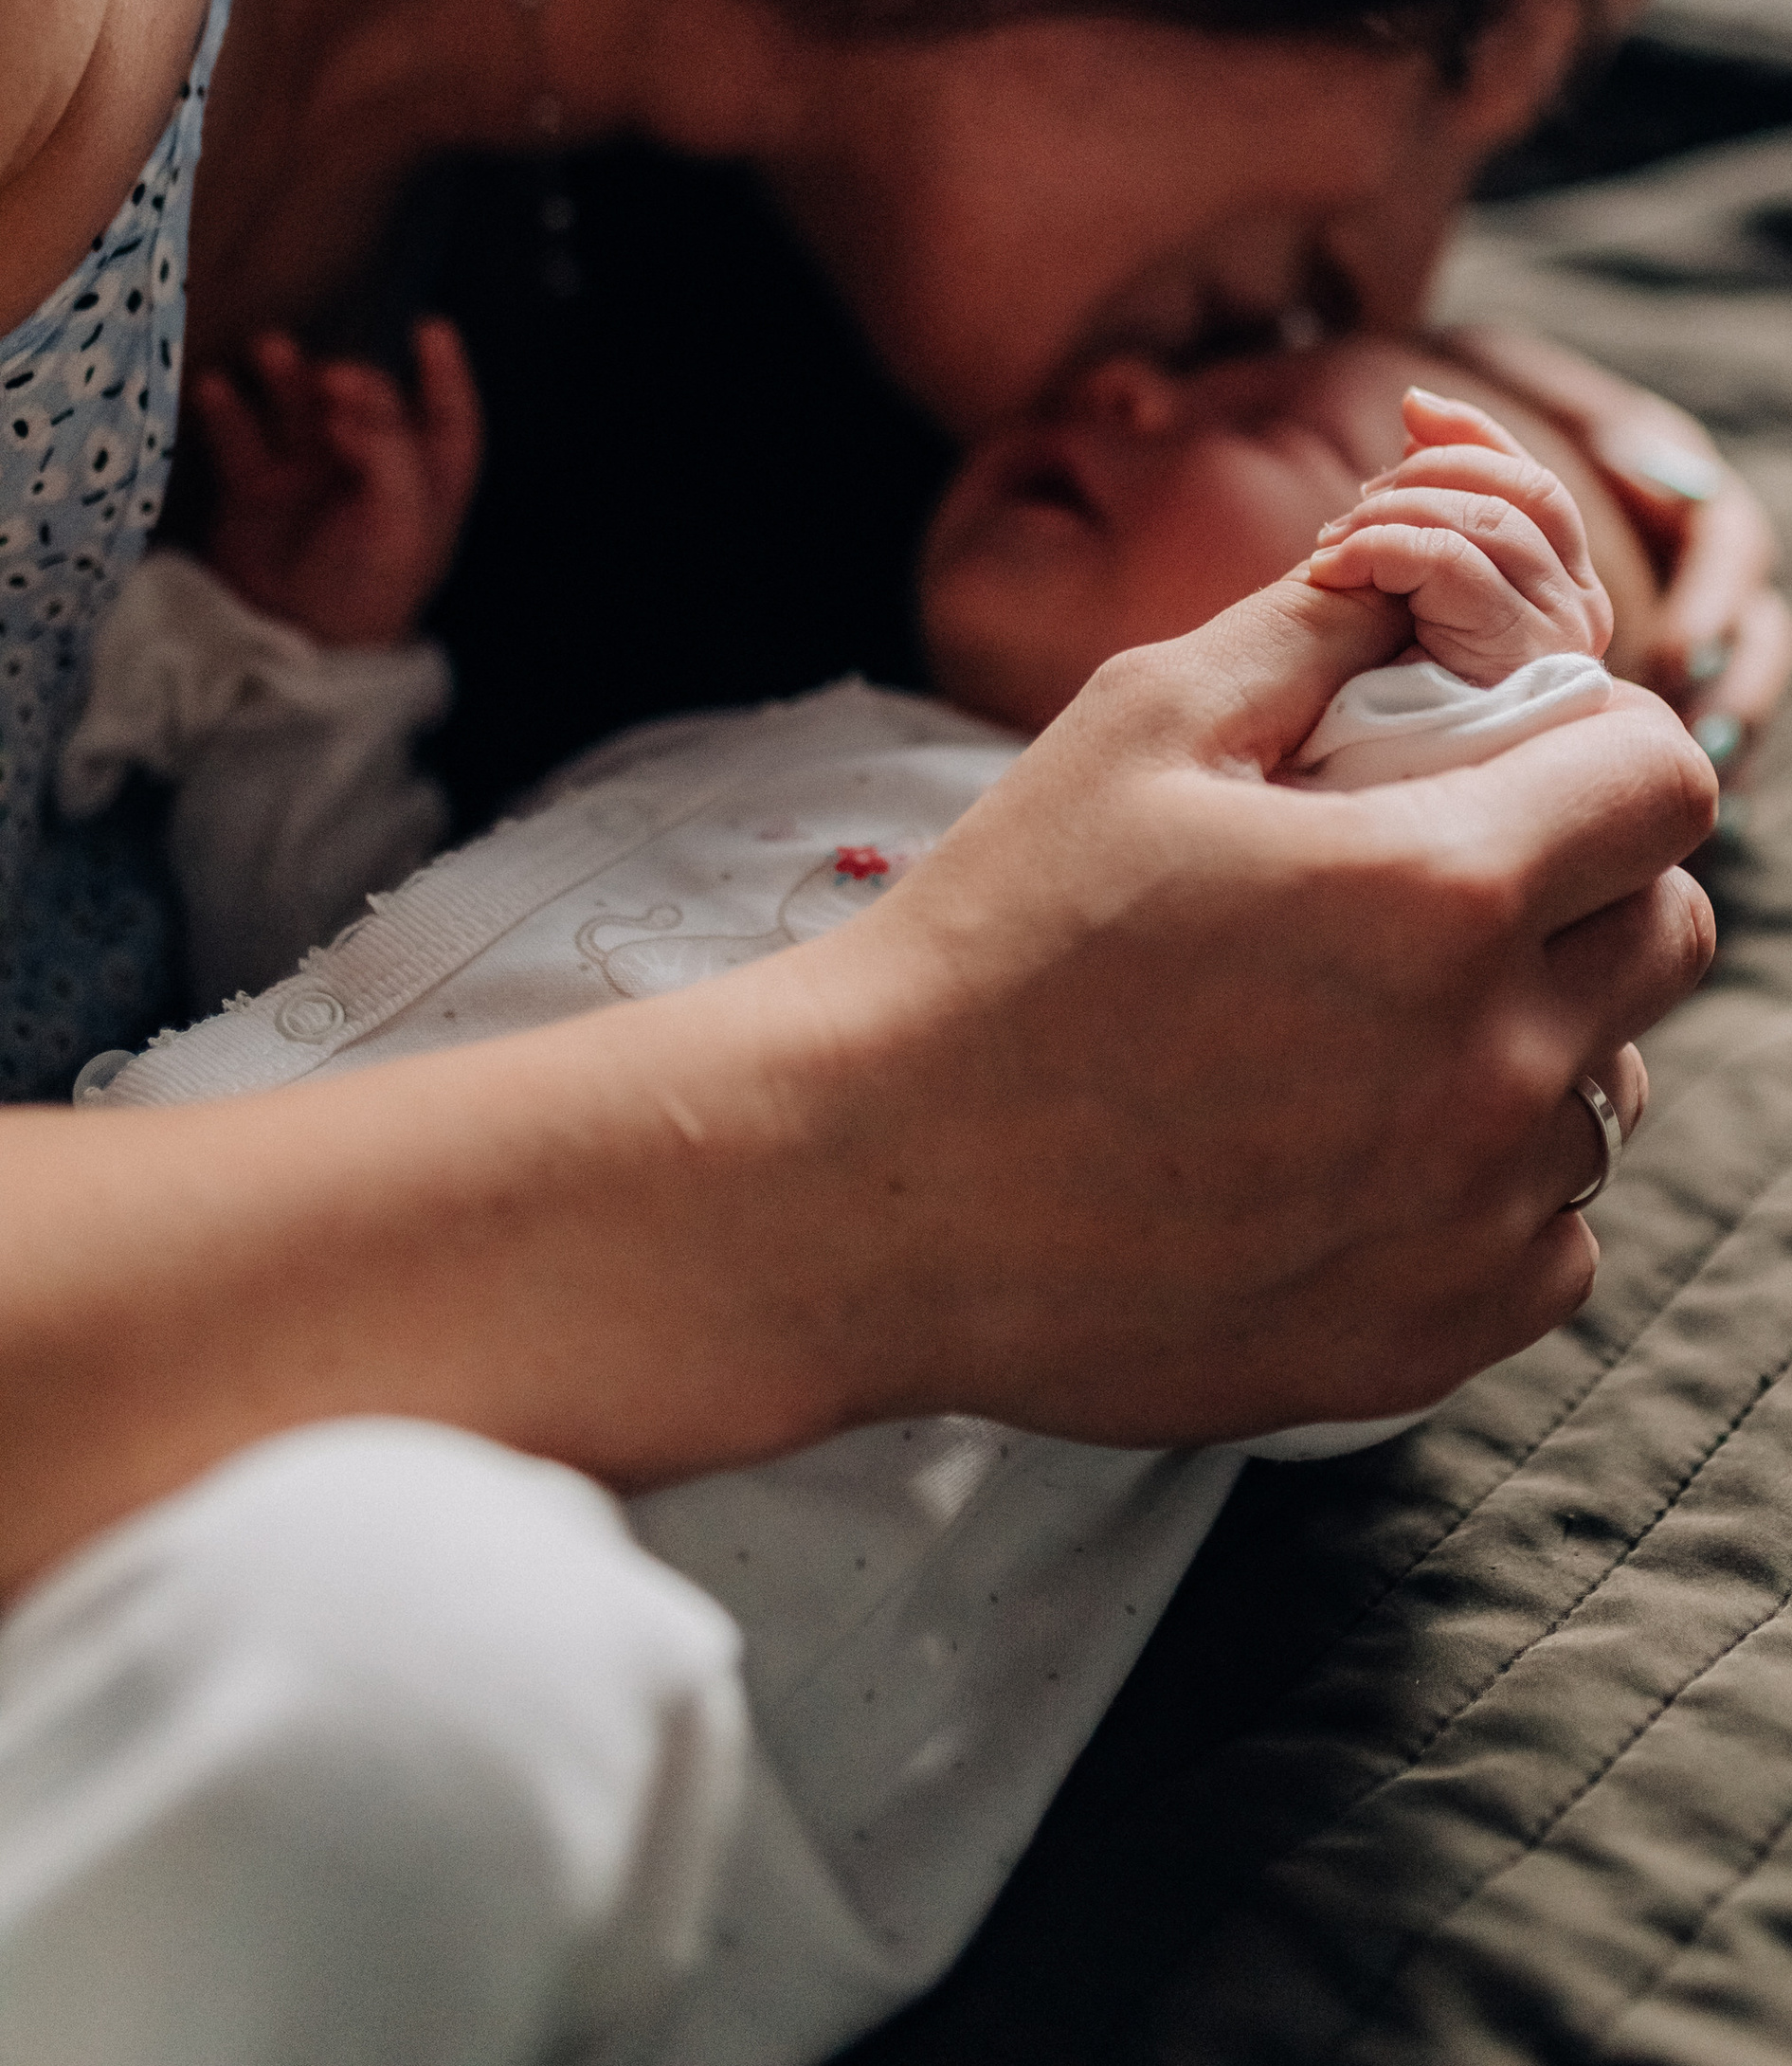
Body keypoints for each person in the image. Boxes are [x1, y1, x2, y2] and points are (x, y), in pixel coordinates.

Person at [0, 0, 1792, 1691]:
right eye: (1460, 74)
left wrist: (1436, 472)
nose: (1392, 274)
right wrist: (877, 1161)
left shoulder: (529, 242)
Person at [38, 319, 1664, 2060]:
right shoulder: (753, 738)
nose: (1120, 382)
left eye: (1281, 417)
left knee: (412, 1663)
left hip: (548, 1693)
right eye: (1168, 357)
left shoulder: (1276, 1002)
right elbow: (350, 990)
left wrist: (1502, 709)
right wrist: (322, 679)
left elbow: (1407, 1175)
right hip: (133, 1361)